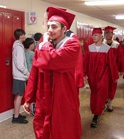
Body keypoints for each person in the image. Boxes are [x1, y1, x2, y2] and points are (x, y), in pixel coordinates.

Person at [23, 7, 82, 139]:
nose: (50, 30)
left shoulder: (72, 45)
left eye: (54, 27)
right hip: (44, 96)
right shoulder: (44, 44)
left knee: (63, 128)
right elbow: (35, 72)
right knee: (42, 127)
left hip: (63, 96)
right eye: (48, 26)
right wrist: (29, 98)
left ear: (64, 29)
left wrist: (44, 44)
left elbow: (52, 60)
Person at [84, 28, 118, 128]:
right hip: (92, 76)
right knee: (94, 93)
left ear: (100, 36)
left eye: (95, 35)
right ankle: (96, 110)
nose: (93, 37)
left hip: (104, 75)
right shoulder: (89, 48)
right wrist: (84, 74)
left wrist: (114, 76)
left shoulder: (107, 49)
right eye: (93, 35)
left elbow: (112, 64)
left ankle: (96, 114)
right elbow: (85, 62)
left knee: (100, 93)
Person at [12, 29, 29, 124]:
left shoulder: (18, 46)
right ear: (21, 36)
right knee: (19, 96)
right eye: (24, 34)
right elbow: (20, 64)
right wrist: (27, 73)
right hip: (20, 76)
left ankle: (16, 114)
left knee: (19, 96)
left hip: (19, 76)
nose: (25, 36)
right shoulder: (18, 47)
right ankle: (16, 117)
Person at [103, 26, 122, 112]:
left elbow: (120, 59)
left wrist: (120, 70)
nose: (107, 34)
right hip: (103, 70)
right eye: (106, 33)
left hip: (113, 69)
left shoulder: (117, 45)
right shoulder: (101, 44)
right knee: (103, 86)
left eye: (109, 33)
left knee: (112, 86)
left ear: (112, 34)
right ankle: (103, 102)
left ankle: (110, 102)